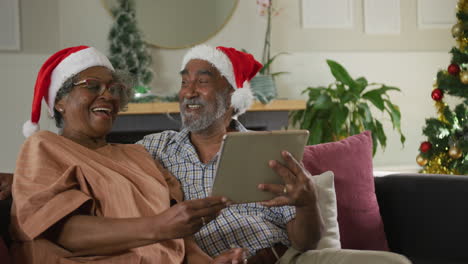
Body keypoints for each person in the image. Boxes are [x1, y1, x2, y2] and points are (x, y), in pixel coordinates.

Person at [138, 45, 412, 264]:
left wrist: (307, 203)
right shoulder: (154, 149)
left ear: (233, 95)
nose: (189, 92)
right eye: (185, 82)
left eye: (202, 81)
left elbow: (306, 242)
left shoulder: (271, 149)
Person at [10, 45, 246, 264]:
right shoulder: (44, 146)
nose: (108, 95)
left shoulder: (138, 154)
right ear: (59, 100)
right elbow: (58, 229)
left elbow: (180, 237)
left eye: (114, 89)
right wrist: (157, 226)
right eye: (92, 85)